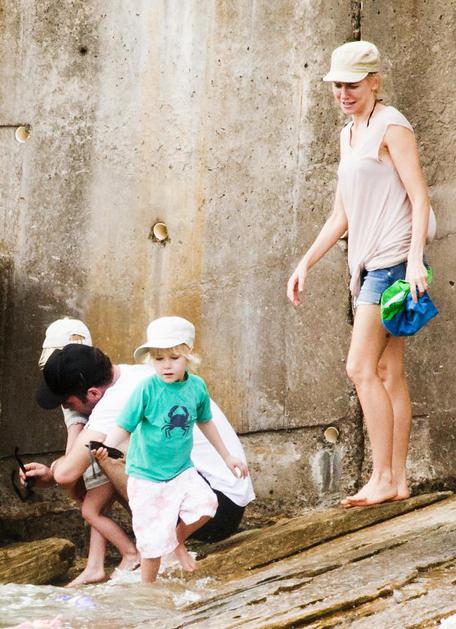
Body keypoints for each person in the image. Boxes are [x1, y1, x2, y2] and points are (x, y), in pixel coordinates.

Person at [287, 41, 435, 507]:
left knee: (359, 367)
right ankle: (398, 480)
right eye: (337, 85)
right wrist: (305, 262)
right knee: (388, 370)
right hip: (371, 263)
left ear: (374, 81)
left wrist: (414, 261)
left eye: (352, 85)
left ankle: (383, 476)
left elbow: (420, 196)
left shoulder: (392, 127)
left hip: (393, 264)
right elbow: (342, 215)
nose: (343, 94)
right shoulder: (348, 135)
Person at [23, 327, 254, 544]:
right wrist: (53, 472)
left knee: (107, 449)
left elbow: (66, 474)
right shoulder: (134, 375)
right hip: (224, 502)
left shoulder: (115, 403)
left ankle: (160, 541)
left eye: (69, 404)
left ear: (92, 393)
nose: (70, 410)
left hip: (212, 511)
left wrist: (57, 465)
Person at [95, 316, 249, 583]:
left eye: (174, 358)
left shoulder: (196, 387)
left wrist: (227, 456)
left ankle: (176, 541)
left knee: (207, 504)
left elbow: (205, 421)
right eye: (159, 359)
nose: (166, 365)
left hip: (181, 470)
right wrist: (106, 446)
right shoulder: (146, 389)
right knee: (152, 544)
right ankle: (148, 589)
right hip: (146, 475)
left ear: (188, 355)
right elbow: (124, 426)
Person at [38, 318, 118, 587]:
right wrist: (55, 472)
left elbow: (70, 469)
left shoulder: (97, 388)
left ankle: (111, 559)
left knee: (96, 484)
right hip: (93, 452)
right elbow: (72, 459)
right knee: (88, 486)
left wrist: (58, 473)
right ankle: (95, 562)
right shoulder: (67, 391)